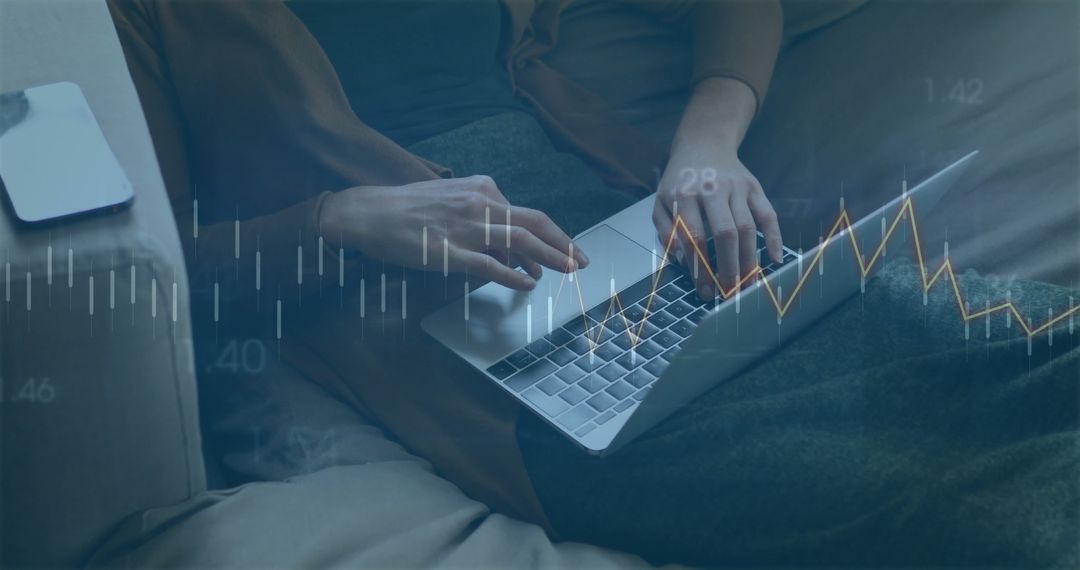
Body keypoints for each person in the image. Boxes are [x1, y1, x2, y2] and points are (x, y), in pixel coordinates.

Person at [109, 0, 1079, 566]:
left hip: (634, 224)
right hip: (450, 324)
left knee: (1003, 343)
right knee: (942, 493)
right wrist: (341, 221)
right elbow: (160, 275)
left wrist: (704, 146)